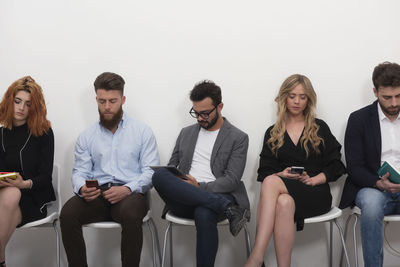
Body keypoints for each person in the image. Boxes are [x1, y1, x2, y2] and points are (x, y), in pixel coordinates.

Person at [60, 72, 159, 267]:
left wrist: (128, 189)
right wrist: (82, 188)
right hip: (98, 195)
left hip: (130, 194)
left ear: (122, 99)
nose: (107, 107)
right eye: (102, 101)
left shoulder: (142, 132)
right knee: (68, 214)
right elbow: (79, 171)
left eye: (112, 101)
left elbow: (150, 172)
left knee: (131, 215)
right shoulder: (87, 136)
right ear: (96, 99)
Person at [245, 74, 346, 267]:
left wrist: (315, 179)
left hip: (315, 194)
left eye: (302, 96)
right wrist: (281, 175)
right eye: (292, 96)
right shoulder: (273, 132)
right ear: (284, 98)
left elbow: (337, 164)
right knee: (283, 201)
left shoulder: (319, 127)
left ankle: (256, 258)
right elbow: (264, 171)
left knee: (271, 183)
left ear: (309, 100)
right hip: (287, 194)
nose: (297, 101)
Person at [152, 80, 250, 267]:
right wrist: (179, 180)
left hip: (214, 195)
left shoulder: (238, 138)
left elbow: (232, 180)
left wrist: (200, 186)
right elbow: (172, 166)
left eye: (205, 113)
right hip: (185, 197)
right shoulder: (186, 133)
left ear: (219, 107)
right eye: (196, 113)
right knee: (159, 175)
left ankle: (220, 205)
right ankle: (228, 209)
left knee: (204, 213)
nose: (199, 118)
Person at [339, 62, 400, 267]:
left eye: (399, 96)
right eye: (387, 97)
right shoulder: (359, 119)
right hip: (373, 187)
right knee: (372, 206)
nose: (393, 103)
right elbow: (354, 167)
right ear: (375, 92)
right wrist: (378, 182)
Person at [0, 76, 55, 267]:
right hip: (5, 196)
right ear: (10, 101)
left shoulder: (44, 132)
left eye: (27, 103)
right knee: (10, 194)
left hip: (33, 198)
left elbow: (46, 177)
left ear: (35, 107)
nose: (21, 108)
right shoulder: (1, 133)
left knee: (13, 193)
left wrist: (24, 183)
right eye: (17, 101)